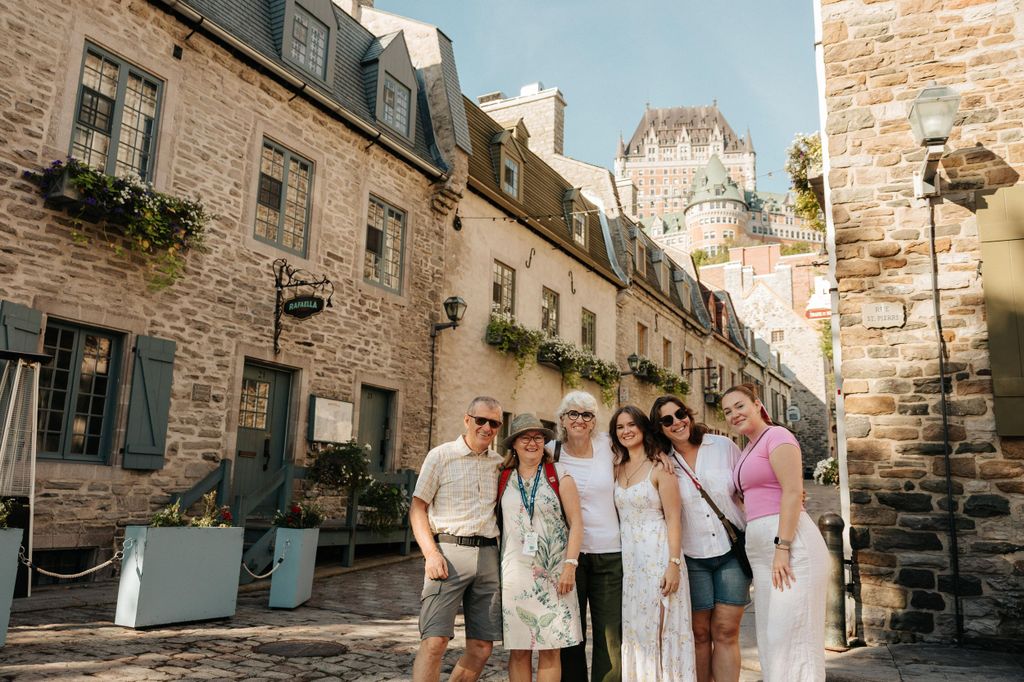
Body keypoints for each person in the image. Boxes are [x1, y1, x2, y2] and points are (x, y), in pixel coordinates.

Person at [721, 384, 828, 682]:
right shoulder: (748, 448)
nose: (734, 414)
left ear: (757, 405)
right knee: (770, 637)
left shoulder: (778, 437)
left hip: (791, 548)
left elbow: (793, 492)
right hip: (761, 550)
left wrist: (783, 547)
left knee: (790, 635)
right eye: (727, 411)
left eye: (739, 406)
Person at [651, 395, 750, 682]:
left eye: (679, 413)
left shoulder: (721, 446)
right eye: (667, 420)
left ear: (688, 414)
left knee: (726, 631)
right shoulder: (662, 461)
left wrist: (784, 493)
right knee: (700, 634)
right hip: (692, 557)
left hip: (731, 552)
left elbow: (751, 481)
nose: (677, 422)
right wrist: (657, 453)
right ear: (660, 428)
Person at [410, 396, 505, 682]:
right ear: (467, 420)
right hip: (448, 553)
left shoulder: (500, 465)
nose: (487, 427)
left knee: (482, 647)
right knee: (434, 640)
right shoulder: (440, 456)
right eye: (481, 420)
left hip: (488, 556)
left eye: (494, 423)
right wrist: (431, 553)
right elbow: (417, 507)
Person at [611, 405, 696, 682]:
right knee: (638, 631)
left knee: (663, 630)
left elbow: (674, 519)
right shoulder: (616, 466)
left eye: (631, 425)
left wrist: (673, 564)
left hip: (659, 555)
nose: (626, 431)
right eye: (620, 427)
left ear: (643, 428)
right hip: (631, 564)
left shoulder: (661, 467)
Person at [498, 413, 584, 682]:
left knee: (550, 649)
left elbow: (577, 524)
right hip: (515, 576)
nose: (532, 443)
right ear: (514, 444)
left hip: (556, 575)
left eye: (537, 437)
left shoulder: (559, 475)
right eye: (525, 437)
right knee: (519, 651)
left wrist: (570, 566)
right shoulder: (502, 478)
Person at [554, 391, 623, 682]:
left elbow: (642, 457)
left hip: (610, 552)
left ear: (594, 421)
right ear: (562, 419)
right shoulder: (550, 451)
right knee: (570, 632)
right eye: (573, 413)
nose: (579, 420)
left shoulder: (609, 447)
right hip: (568, 556)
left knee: (610, 633)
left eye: (587, 414)